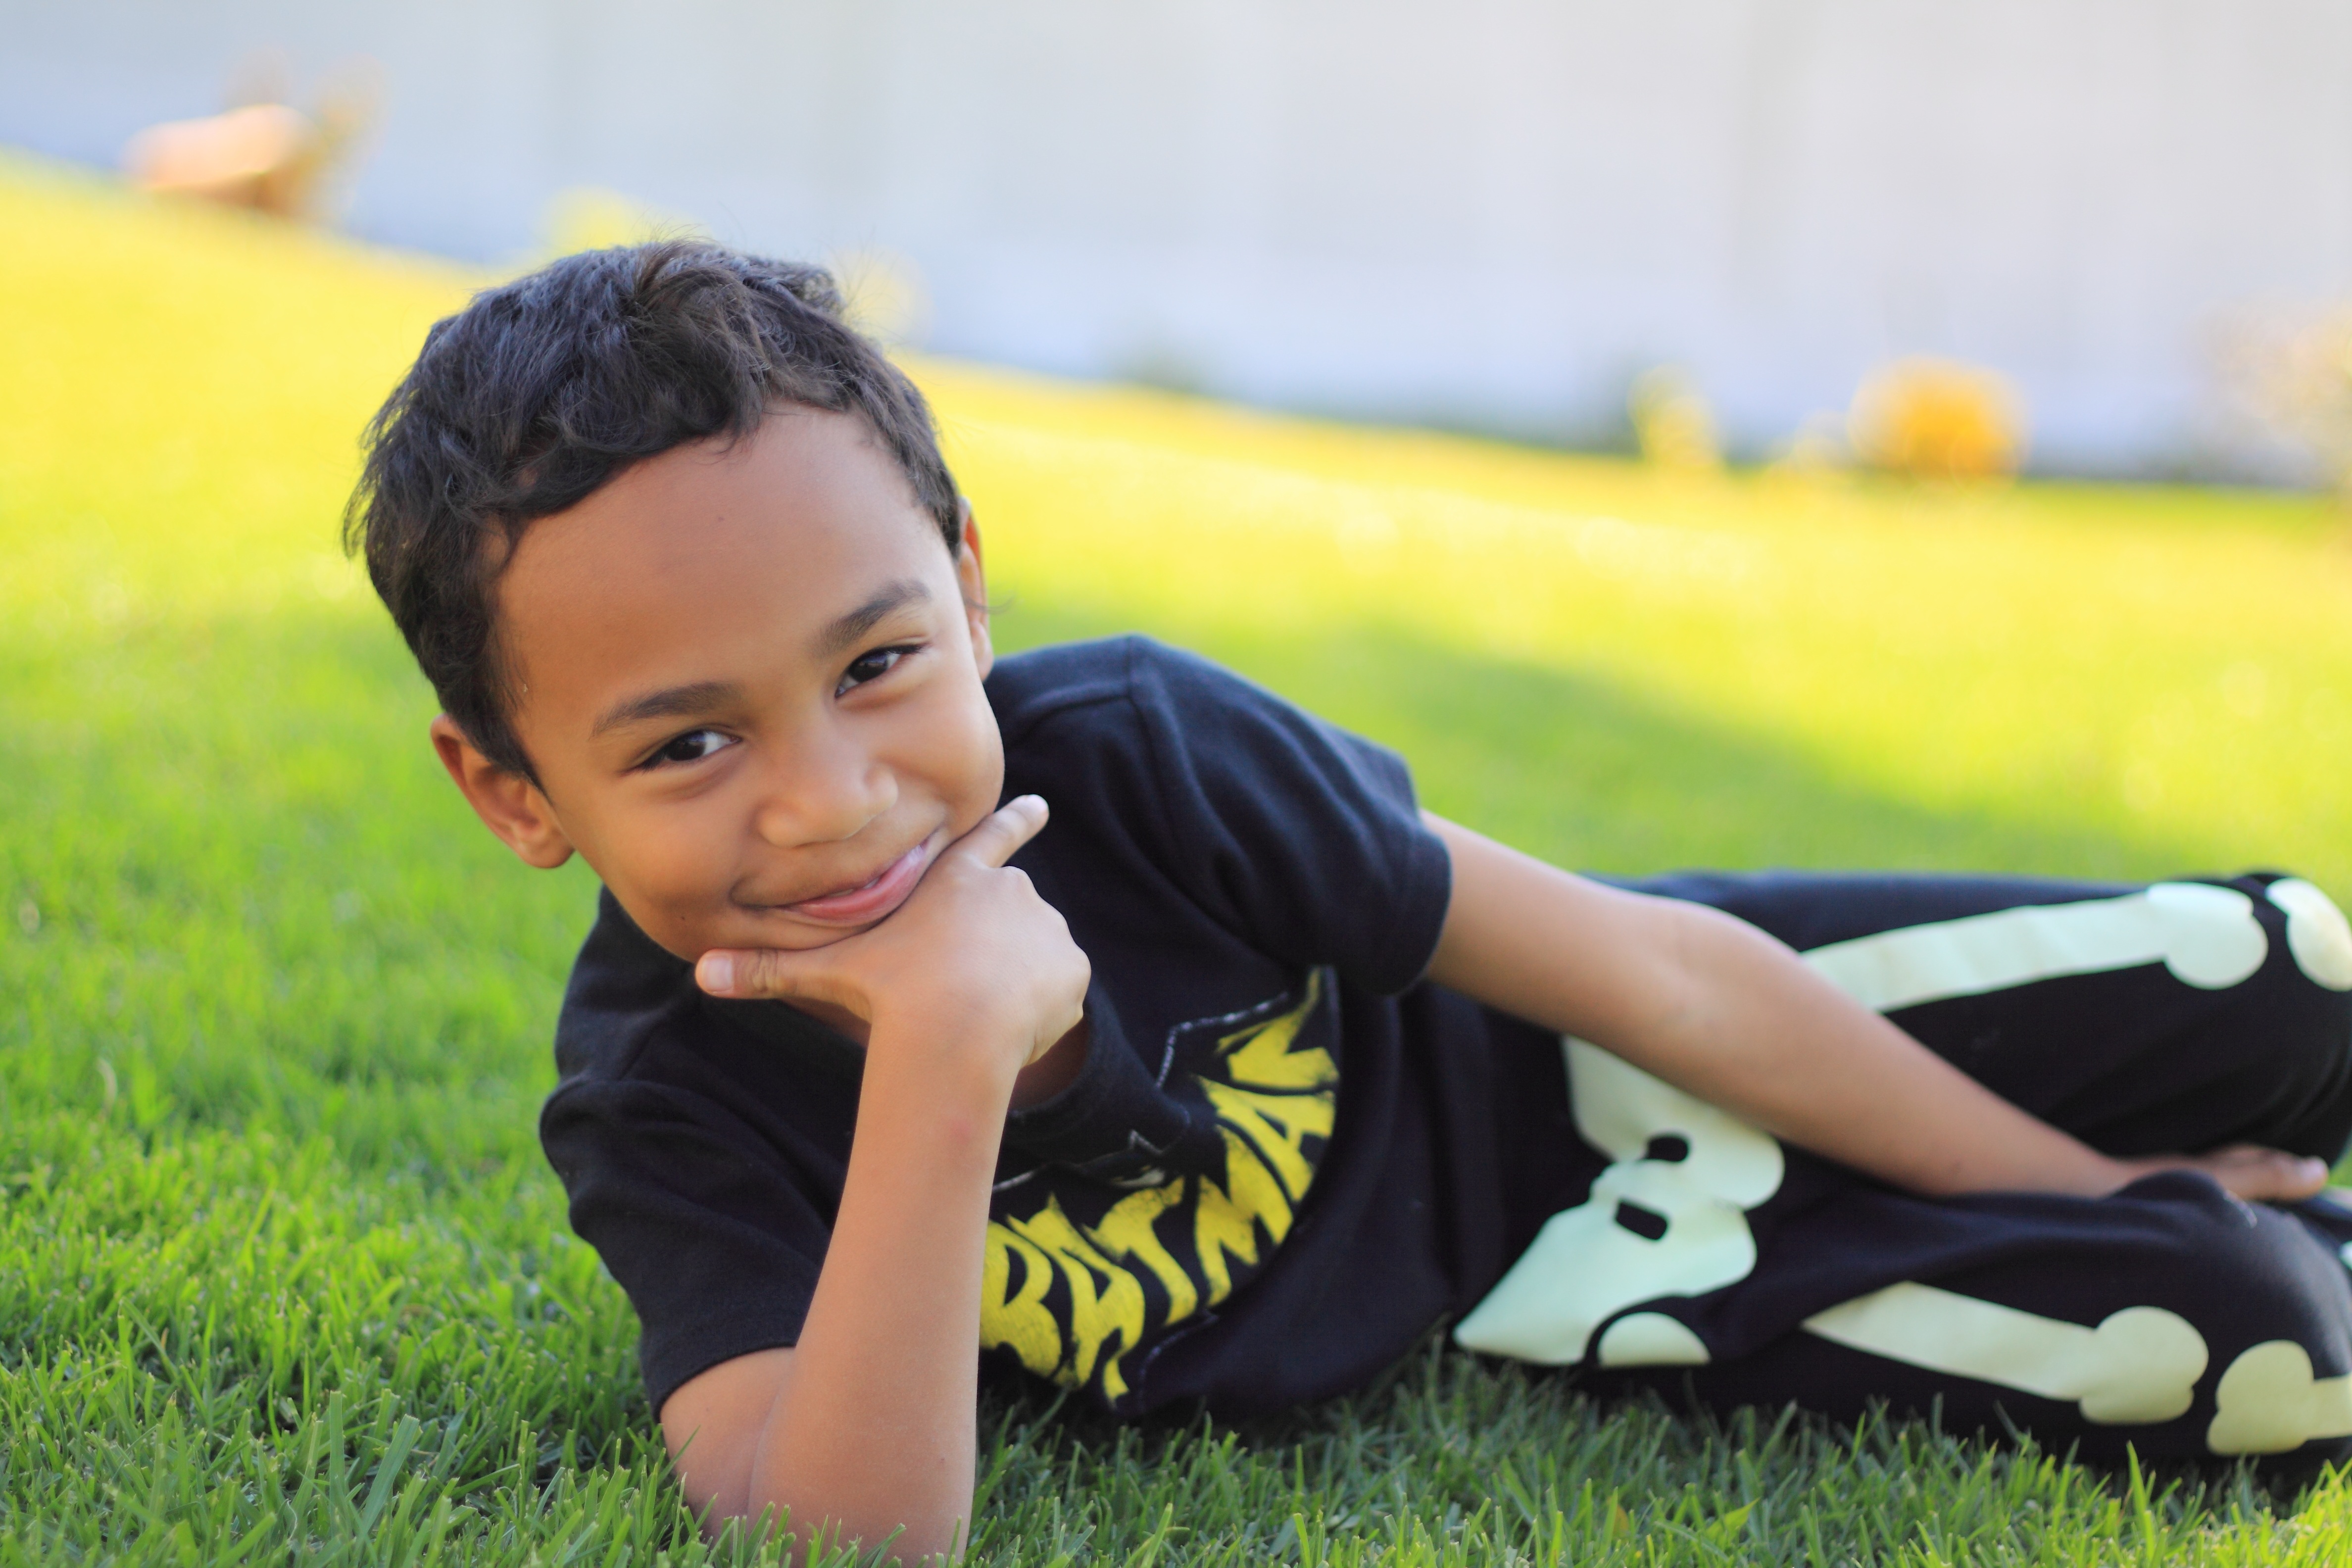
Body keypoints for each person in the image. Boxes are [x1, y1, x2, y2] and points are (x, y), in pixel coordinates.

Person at [347, 241, 2352, 1562]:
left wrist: (2083, 1182)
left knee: (2292, 982)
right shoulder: (663, 1096)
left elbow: (1656, 975)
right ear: (514, 792)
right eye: (691, 744)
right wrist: (945, 1043)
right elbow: (839, 1537)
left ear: (965, 585)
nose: (833, 799)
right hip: (1538, 1290)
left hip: (1568, 1058)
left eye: (878, 664)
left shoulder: (1139, 752)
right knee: (2273, 1336)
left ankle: (2113, 1163)